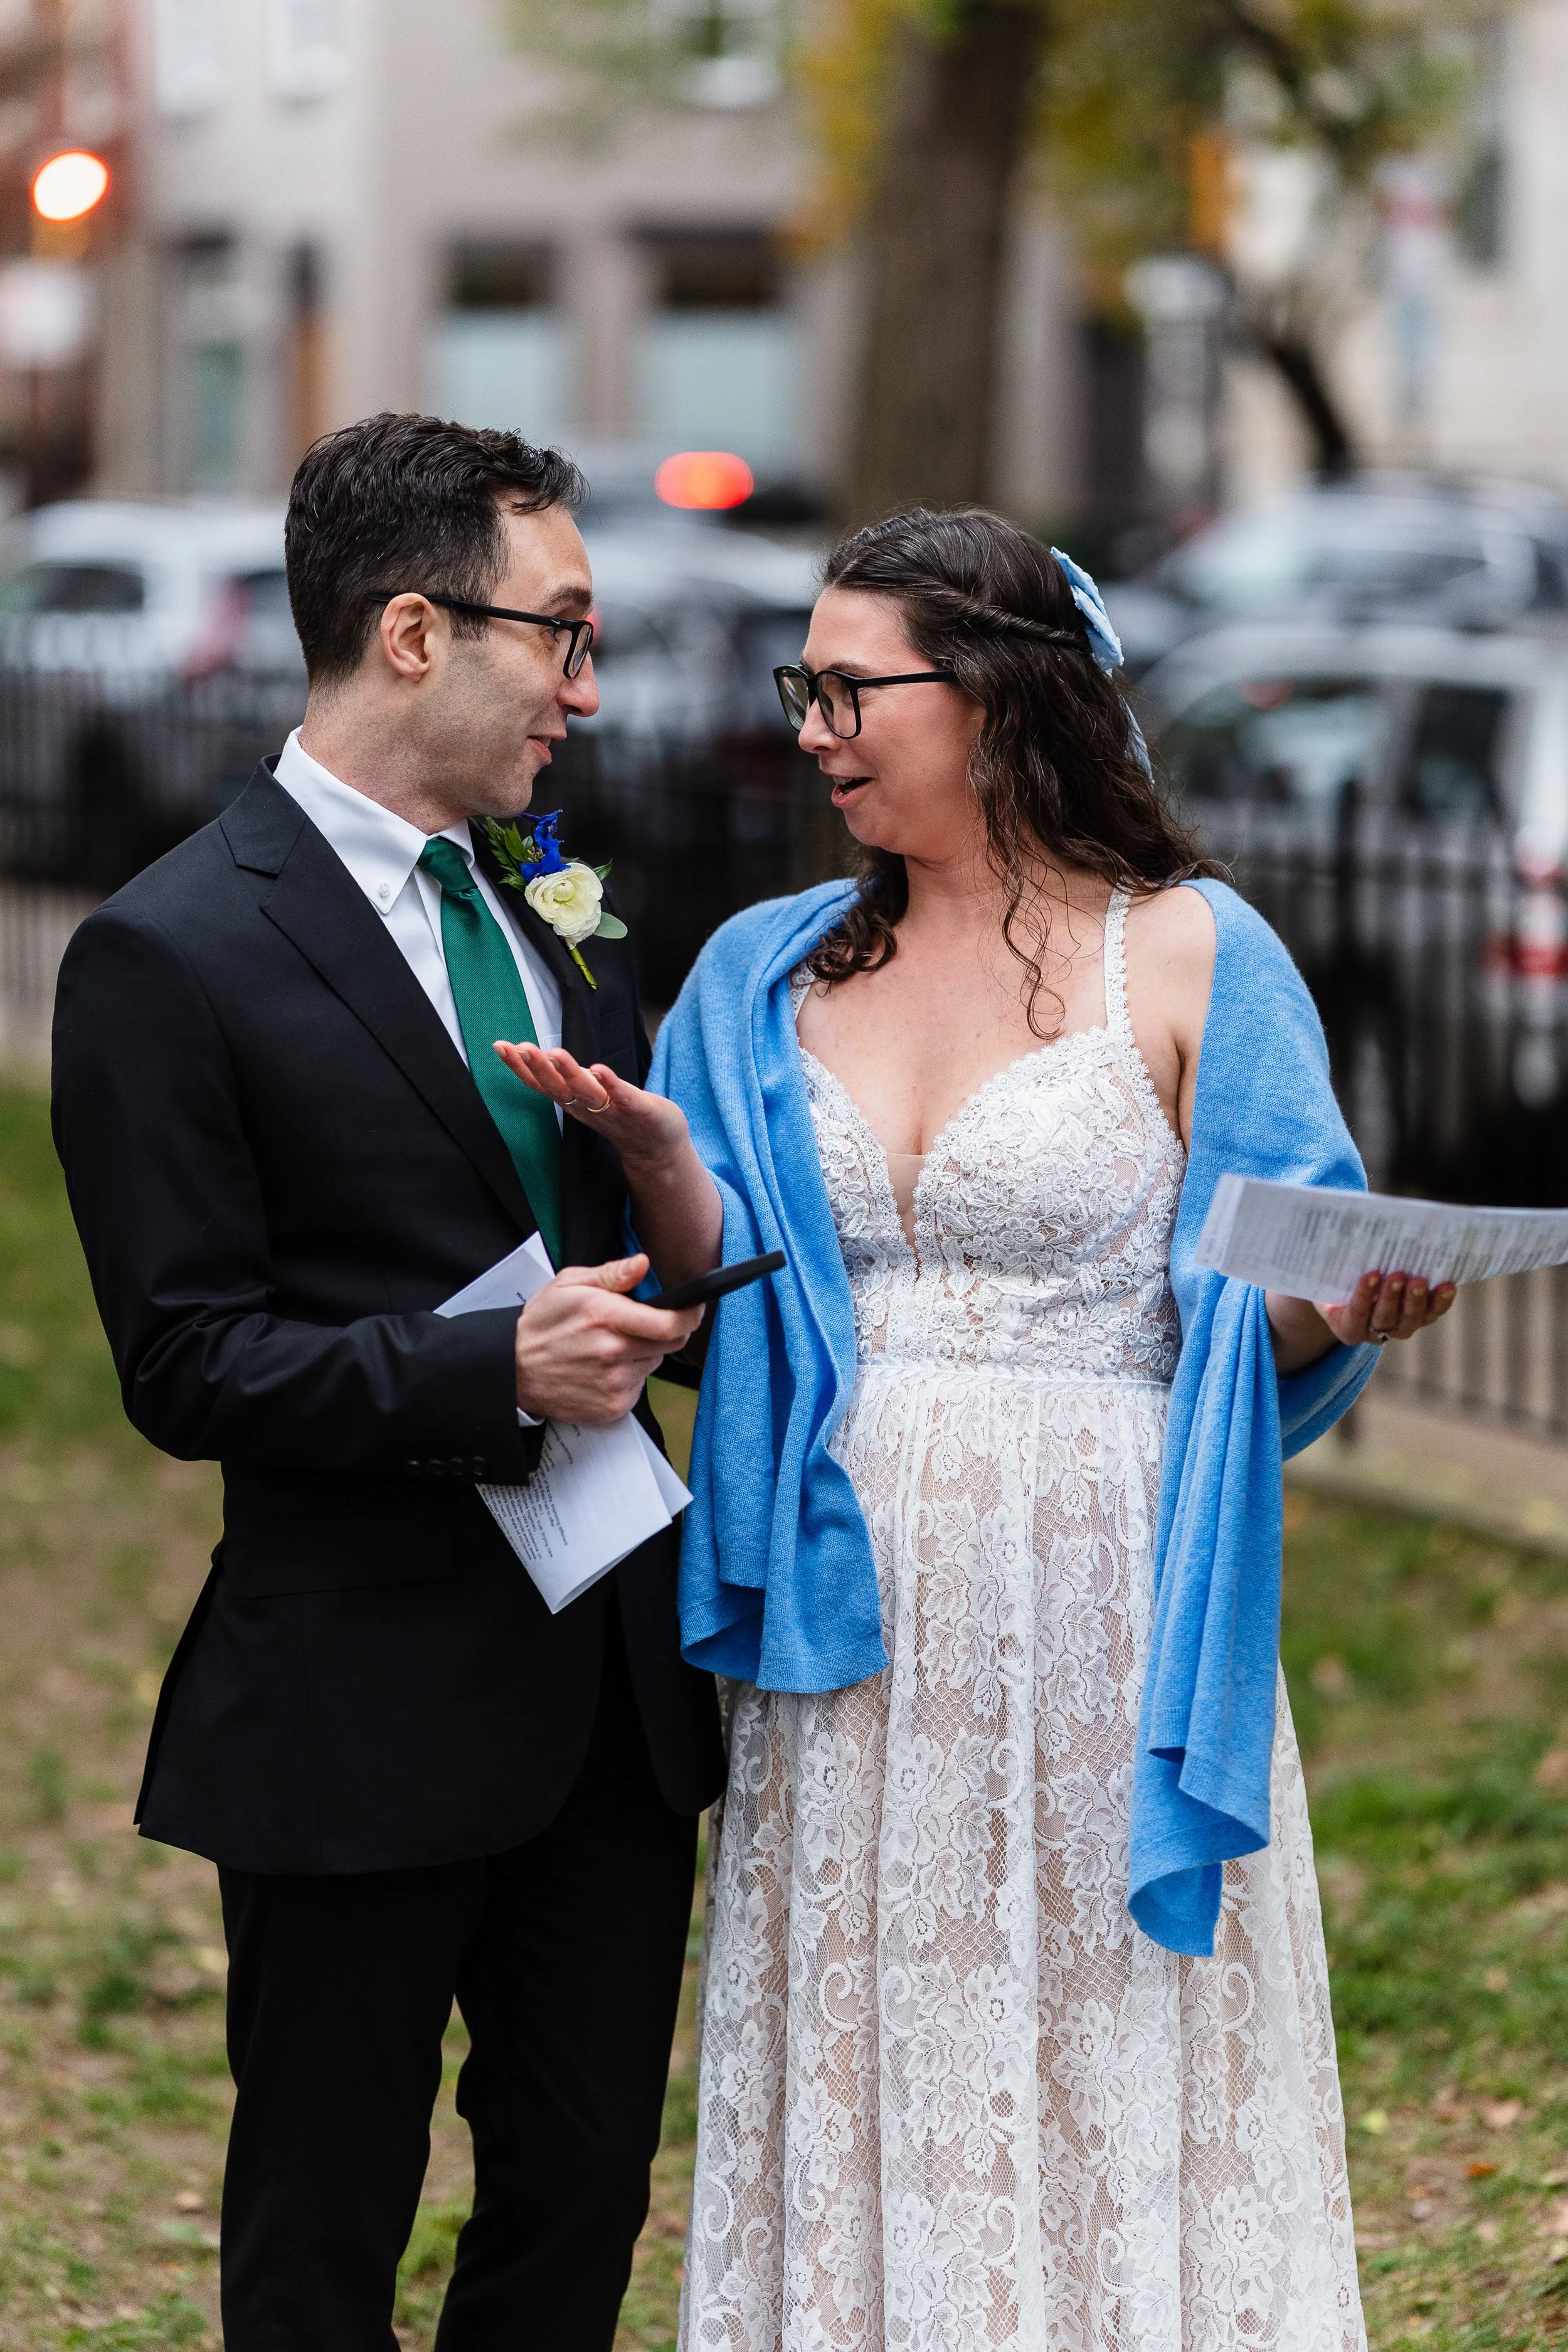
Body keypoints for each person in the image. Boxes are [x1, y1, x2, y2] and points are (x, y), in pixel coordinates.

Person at [510, 508, 1454, 2350]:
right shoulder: (766, 966)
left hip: (1099, 1586)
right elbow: (726, 1299)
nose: (812, 727)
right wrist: (665, 1168)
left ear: (1001, 696)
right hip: (844, 1617)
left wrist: (1339, 1302)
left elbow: (1250, 1287)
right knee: (882, 2012)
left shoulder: (1187, 951)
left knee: (1094, 2024)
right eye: (805, 686)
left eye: (850, 688)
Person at [50, 411, 725, 2352]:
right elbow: (185, 1358)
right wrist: (483, 1368)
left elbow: (612, 1248)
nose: (587, 694)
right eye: (563, 635)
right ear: (415, 633)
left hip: (605, 1679)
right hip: (356, 1689)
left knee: (584, 2184)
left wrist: (676, 1231)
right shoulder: (167, 951)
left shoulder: (554, 907)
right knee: (325, 2212)